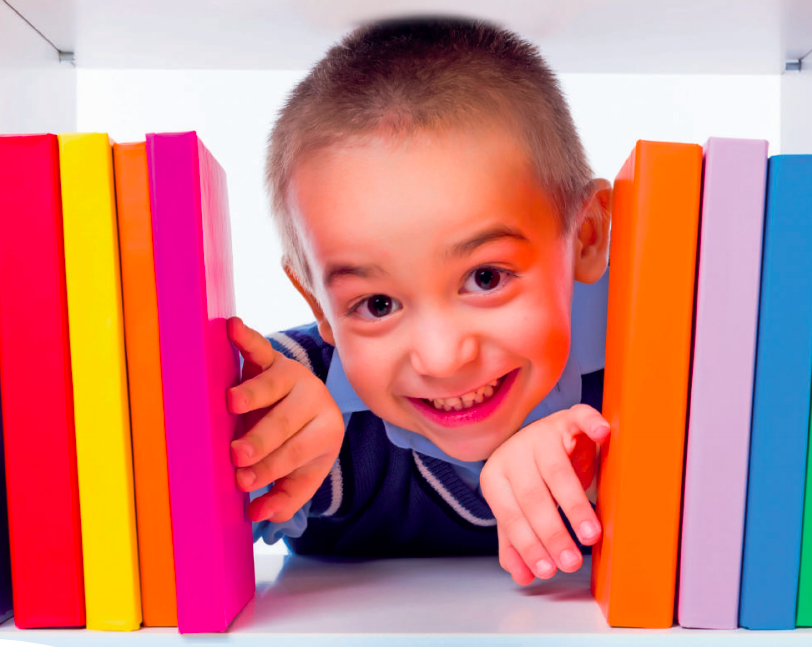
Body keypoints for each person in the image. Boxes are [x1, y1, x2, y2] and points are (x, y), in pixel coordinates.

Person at [226, 16, 613, 586]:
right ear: (317, 304)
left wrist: (615, 473)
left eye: (485, 277)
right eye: (378, 304)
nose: (441, 359)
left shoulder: (657, 361)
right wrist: (250, 463)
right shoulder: (284, 391)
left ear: (585, 237)